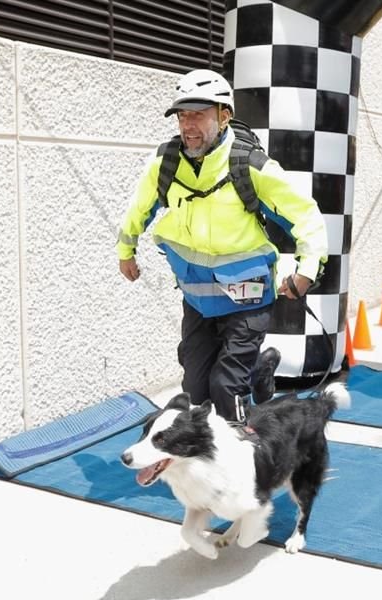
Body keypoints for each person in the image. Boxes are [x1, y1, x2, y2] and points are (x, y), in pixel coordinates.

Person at [116, 69, 328, 422]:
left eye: (198, 114)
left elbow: (306, 215)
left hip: (248, 297)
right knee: (195, 390)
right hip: (199, 296)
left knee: (225, 387)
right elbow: (139, 208)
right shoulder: (166, 163)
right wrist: (126, 250)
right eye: (183, 115)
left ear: (224, 115)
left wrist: (306, 270)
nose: (189, 125)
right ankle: (258, 369)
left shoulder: (250, 164)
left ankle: (241, 459)